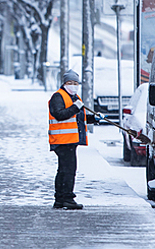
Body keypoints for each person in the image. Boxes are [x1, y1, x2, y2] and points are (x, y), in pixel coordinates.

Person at [48, 69, 100, 210]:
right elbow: (60, 115)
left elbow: (76, 118)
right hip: (62, 140)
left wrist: (93, 118)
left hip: (69, 140)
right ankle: (67, 198)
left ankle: (60, 199)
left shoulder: (74, 97)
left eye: (75, 83)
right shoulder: (58, 97)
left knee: (64, 170)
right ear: (64, 83)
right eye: (70, 82)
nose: (73, 85)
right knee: (68, 170)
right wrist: (75, 107)